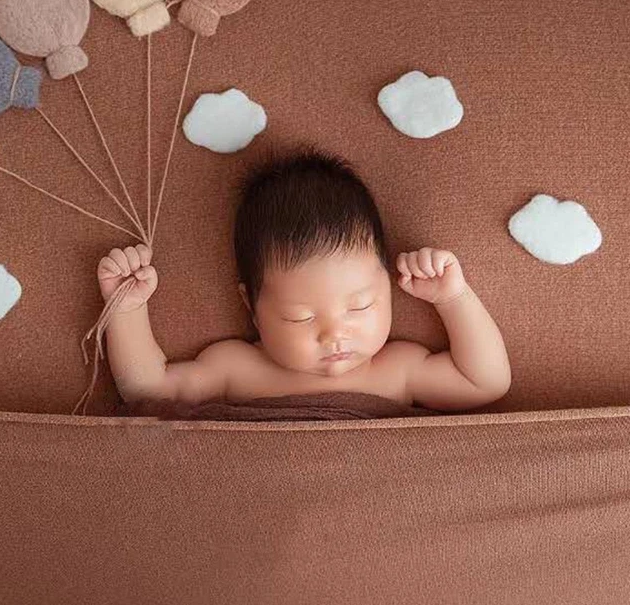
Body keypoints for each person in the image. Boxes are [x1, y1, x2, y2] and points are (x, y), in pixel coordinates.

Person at [98, 143, 511, 412]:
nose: (335, 335)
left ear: (387, 286)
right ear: (253, 308)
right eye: (299, 317)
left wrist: (453, 299)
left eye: (361, 306)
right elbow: (146, 392)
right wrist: (127, 308)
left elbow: (485, 382)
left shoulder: (397, 369)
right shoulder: (235, 367)